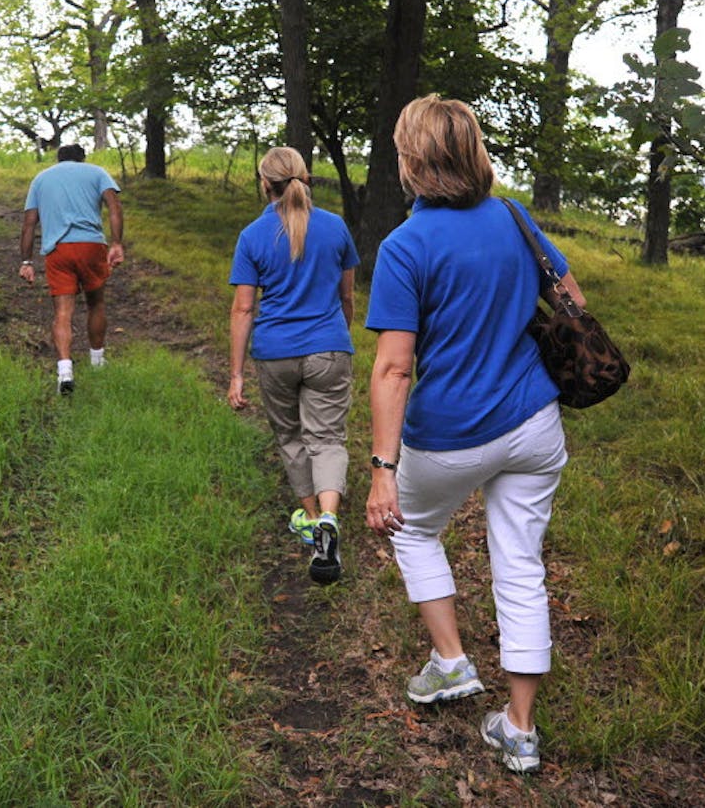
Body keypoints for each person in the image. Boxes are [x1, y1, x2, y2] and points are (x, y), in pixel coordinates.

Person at [363, 95, 587, 774]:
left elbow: (395, 367)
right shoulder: (515, 217)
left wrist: (381, 468)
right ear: (472, 151)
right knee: (520, 562)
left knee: (411, 527)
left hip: (451, 433)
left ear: (412, 159)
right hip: (533, 422)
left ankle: (452, 660)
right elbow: (573, 303)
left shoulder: (405, 246)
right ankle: (518, 728)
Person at [228, 147, 359, 584]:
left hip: (275, 353)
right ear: (307, 178)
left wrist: (236, 374)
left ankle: (310, 518)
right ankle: (329, 519)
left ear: (265, 183)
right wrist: (338, 337)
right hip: (329, 349)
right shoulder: (336, 227)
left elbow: (243, 310)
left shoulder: (251, 236)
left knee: (291, 436)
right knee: (328, 438)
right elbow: (347, 299)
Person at [18, 144, 125, 393]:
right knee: (96, 303)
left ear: (58, 159)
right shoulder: (97, 172)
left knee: (62, 312)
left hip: (58, 250)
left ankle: (65, 372)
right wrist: (117, 243)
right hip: (91, 246)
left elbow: (28, 224)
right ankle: (97, 362)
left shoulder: (41, 179)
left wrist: (26, 262)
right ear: (82, 158)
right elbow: (114, 207)